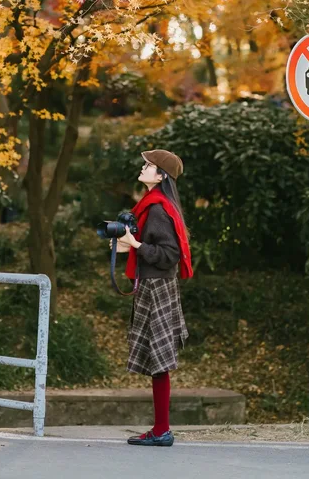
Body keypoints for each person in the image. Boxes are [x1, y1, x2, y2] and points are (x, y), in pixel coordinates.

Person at [114, 149, 193, 447]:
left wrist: (136, 244)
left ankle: (162, 430)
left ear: (161, 176)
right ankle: (161, 429)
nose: (143, 167)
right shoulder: (150, 205)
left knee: (159, 359)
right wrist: (127, 243)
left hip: (157, 287)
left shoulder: (158, 208)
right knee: (156, 359)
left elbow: (169, 255)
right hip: (152, 285)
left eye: (148, 165)